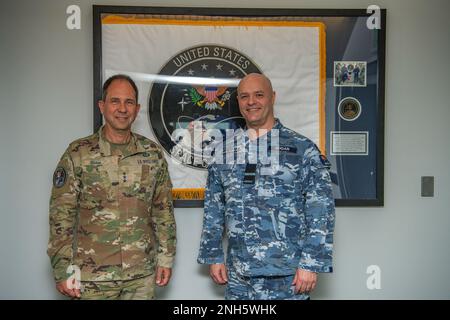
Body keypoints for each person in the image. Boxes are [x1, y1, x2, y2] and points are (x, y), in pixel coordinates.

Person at [197, 73, 335, 300]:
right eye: (244, 96)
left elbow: (321, 209)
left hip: (288, 275)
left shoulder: (302, 149)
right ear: (239, 102)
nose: (251, 102)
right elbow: (213, 208)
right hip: (238, 276)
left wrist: (311, 263)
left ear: (273, 97)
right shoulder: (224, 152)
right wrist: (213, 256)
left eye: (259, 95)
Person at [47, 74, 176, 300]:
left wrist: (166, 258)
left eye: (129, 102)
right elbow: (61, 216)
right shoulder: (78, 154)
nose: (122, 109)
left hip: (141, 277)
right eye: (115, 101)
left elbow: (162, 210)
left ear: (137, 109)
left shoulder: (152, 153)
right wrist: (63, 269)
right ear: (102, 106)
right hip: (92, 278)